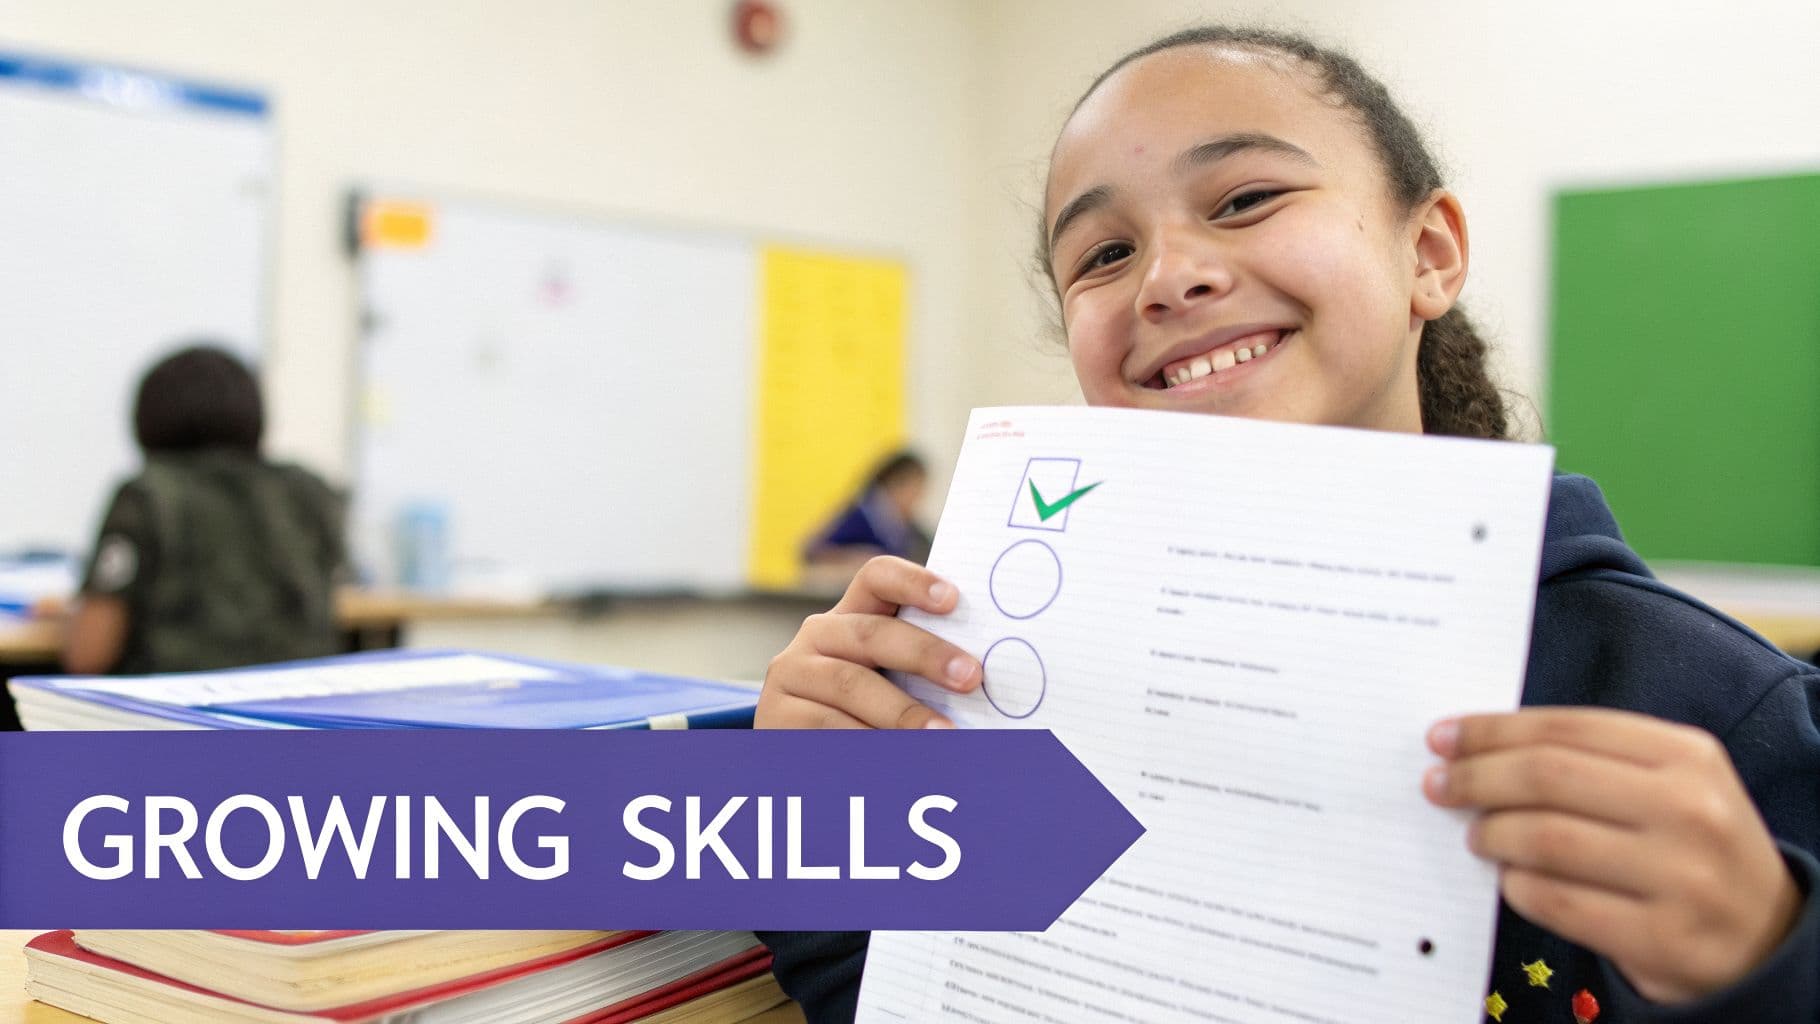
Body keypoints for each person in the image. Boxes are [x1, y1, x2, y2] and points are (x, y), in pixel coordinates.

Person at [754, 26, 1819, 1024]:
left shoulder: (1713, 708)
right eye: (1102, 255)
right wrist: (805, 831)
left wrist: (1767, 954)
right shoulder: (1001, 672)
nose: (1169, 276)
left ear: (1431, 253)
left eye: (1246, 196)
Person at [63, 345, 347, 675]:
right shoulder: (307, 490)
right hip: (296, 712)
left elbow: (88, 654)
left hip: (174, 712)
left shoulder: (147, 496)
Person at [802, 450, 933, 569]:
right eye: (916, 489)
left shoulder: (908, 528)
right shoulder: (864, 515)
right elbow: (812, 551)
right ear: (895, 483)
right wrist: (857, 557)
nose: (918, 498)